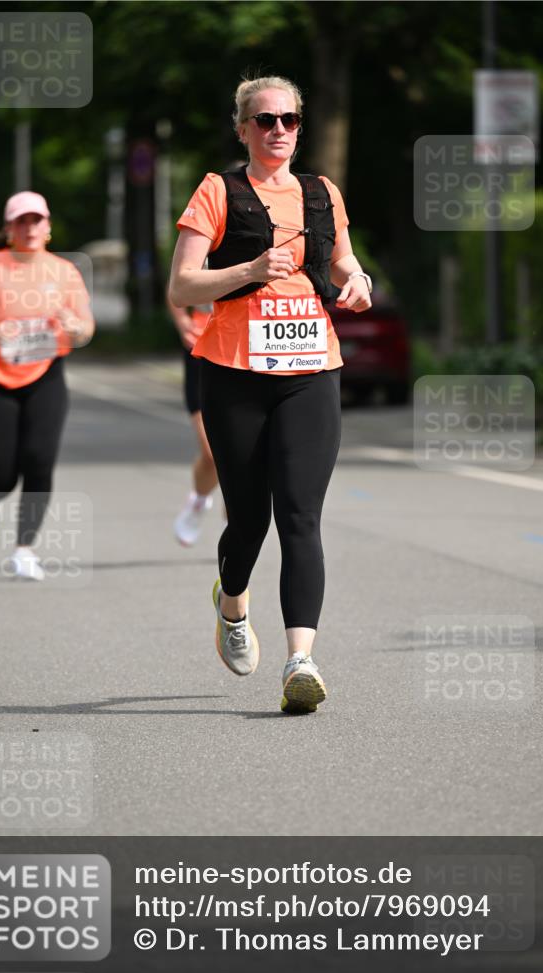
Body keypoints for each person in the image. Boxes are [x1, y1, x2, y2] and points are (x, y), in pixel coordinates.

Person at [169, 75, 372, 714]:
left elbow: (337, 261)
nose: (277, 130)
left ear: (299, 126)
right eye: (264, 120)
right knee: (250, 517)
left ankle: (300, 661)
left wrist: (358, 278)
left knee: (300, 515)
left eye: (288, 120)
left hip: (312, 366)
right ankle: (232, 603)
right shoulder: (217, 191)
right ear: (243, 129)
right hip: (234, 372)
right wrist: (251, 271)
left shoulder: (321, 193)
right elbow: (183, 286)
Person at [0, 190, 95, 581]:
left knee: (39, 460)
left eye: (37, 220)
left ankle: (24, 549)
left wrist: (74, 327)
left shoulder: (64, 272)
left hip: (44, 376)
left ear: (48, 228)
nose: (29, 227)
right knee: (0, 471)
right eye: (21, 221)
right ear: (9, 228)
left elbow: (85, 328)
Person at [166, 289, 220, 546]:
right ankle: (198, 501)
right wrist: (181, 321)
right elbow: (176, 286)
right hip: (202, 345)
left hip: (248, 346)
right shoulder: (202, 247)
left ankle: (234, 528)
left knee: (246, 455)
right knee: (212, 454)